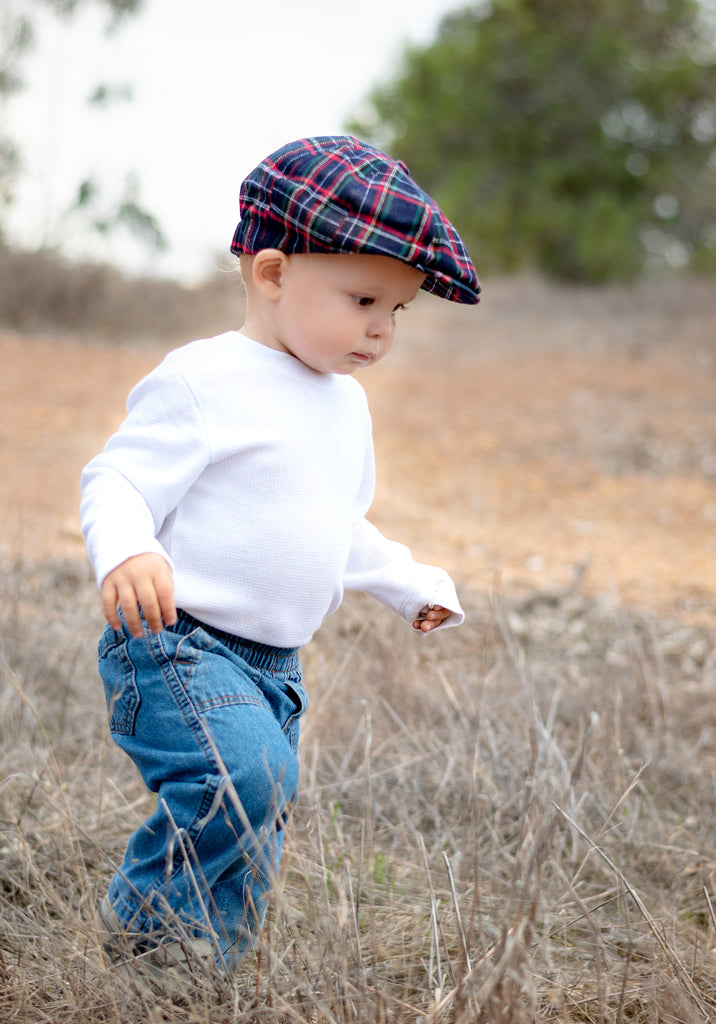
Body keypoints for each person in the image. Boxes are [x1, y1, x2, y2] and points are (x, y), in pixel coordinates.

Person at [81, 135, 480, 991]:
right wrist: (129, 548)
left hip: (274, 665)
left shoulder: (345, 405)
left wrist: (409, 582)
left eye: (397, 311)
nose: (380, 327)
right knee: (242, 778)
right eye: (364, 297)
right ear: (271, 273)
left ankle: (204, 967)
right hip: (176, 641)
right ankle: (147, 943)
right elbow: (116, 476)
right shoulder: (203, 379)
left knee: (259, 818)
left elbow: (338, 524)